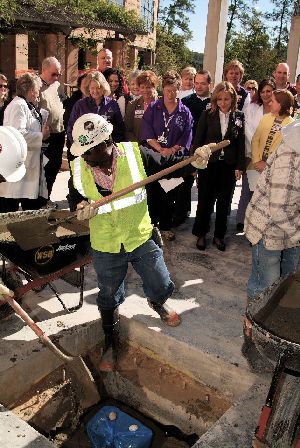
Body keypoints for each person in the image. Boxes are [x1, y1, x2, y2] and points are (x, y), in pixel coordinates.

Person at [68, 114, 211, 372]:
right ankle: (111, 340)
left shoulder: (136, 155)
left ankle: (157, 301)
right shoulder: (79, 167)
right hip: (106, 244)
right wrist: (79, 205)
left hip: (139, 235)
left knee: (160, 281)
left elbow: (171, 164)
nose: (86, 157)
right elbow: (73, 195)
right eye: (83, 152)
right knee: (108, 294)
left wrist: (195, 161)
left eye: (90, 151)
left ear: (107, 142)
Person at [245, 119, 300, 300]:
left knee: (286, 283)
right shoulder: (291, 157)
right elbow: (278, 208)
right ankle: (252, 324)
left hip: (290, 228)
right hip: (268, 229)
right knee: (265, 287)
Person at [140, 70, 193, 240]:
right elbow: (147, 132)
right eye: (168, 90)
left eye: (174, 90)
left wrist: (171, 150)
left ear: (179, 89)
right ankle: (151, 225)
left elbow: (187, 135)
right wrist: (160, 149)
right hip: (154, 158)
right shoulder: (154, 108)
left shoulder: (185, 112)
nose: (170, 94)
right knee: (152, 192)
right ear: (163, 89)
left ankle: (165, 226)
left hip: (173, 160)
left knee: (169, 195)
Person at [192, 81, 245, 251]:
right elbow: (198, 140)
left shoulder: (239, 117)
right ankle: (201, 234)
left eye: (227, 99)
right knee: (205, 201)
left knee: (224, 203)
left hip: (228, 166)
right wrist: (195, 165)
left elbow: (240, 143)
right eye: (220, 99)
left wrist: (239, 166)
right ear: (215, 99)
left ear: (233, 99)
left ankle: (219, 235)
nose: (223, 102)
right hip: (209, 164)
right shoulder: (207, 115)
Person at [0, 73, 50, 212]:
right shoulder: (18, 106)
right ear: (32, 89)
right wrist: (42, 135)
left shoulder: (26, 105)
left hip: (28, 168)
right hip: (20, 168)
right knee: (11, 209)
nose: (38, 93)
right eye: (38, 89)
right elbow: (18, 134)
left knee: (28, 205)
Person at [236, 78, 275, 232]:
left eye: (269, 91)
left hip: (270, 158)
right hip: (253, 155)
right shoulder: (252, 108)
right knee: (249, 189)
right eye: (263, 91)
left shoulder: (278, 109)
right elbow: (248, 130)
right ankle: (241, 220)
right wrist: (258, 151)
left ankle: (257, 223)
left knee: (264, 193)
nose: (266, 94)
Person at [249, 89, 294, 192]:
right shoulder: (265, 118)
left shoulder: (291, 125)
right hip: (256, 168)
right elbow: (255, 140)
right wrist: (257, 161)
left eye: (273, 101)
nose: (269, 103)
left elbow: (286, 152)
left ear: (281, 104)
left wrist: (268, 165)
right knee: (250, 198)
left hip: (276, 172)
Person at [67, 71, 125, 144]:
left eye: (98, 88)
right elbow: (71, 127)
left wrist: (112, 143)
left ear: (103, 87)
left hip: (106, 149)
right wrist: (78, 144)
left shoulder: (112, 104)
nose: (95, 91)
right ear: (88, 88)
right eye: (92, 88)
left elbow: (120, 128)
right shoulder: (80, 105)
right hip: (85, 149)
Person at [39, 56, 66, 198]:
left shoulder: (57, 85)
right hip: (45, 136)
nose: (56, 77)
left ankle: (47, 197)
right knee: (45, 169)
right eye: (53, 74)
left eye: (59, 74)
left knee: (55, 166)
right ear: (44, 70)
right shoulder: (36, 86)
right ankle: (40, 200)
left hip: (59, 133)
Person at [124, 70, 159, 142]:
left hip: (159, 148)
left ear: (154, 87)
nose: (145, 90)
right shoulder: (132, 105)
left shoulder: (162, 105)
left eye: (148, 87)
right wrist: (137, 146)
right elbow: (128, 130)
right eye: (142, 87)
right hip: (138, 147)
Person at [182, 70, 212, 142]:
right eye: (196, 83)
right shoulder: (185, 102)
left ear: (210, 84)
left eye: (203, 84)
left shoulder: (216, 101)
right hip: (190, 144)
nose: (199, 86)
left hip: (210, 145)